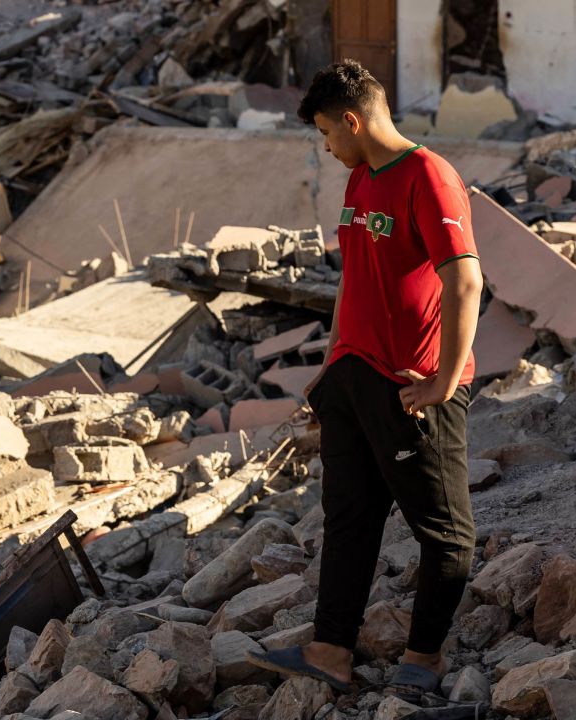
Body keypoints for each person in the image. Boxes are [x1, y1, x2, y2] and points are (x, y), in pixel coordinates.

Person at [247, 59, 484, 701]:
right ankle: (330, 650)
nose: (325, 148)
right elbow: (353, 275)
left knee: (444, 531)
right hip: (352, 379)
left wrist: (441, 378)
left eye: (326, 133)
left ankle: (424, 657)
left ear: (352, 119)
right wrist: (331, 364)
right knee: (348, 518)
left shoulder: (428, 176)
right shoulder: (359, 180)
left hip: (409, 383)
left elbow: (464, 279)